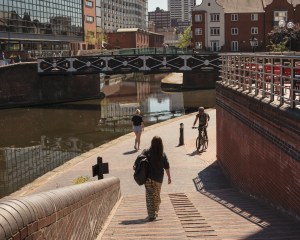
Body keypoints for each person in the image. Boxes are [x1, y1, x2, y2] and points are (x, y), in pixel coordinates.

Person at [142, 136, 171, 221]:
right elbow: (167, 167)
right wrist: (169, 177)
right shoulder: (163, 154)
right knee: (156, 196)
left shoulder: (146, 152)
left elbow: (140, 161)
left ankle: (152, 213)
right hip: (158, 179)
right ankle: (153, 213)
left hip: (148, 178)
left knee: (149, 196)